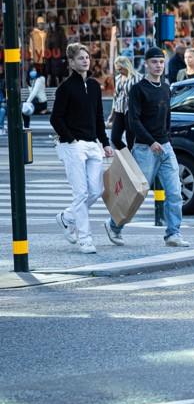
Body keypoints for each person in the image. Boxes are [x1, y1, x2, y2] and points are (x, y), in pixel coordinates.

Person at [107, 47, 191, 248]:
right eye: (154, 62)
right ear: (146, 64)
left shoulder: (165, 87)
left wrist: (166, 139)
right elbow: (134, 120)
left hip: (165, 147)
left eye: (161, 62)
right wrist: (150, 141)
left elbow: (167, 117)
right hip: (145, 148)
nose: (158, 66)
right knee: (136, 194)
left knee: (174, 192)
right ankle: (114, 226)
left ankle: (173, 234)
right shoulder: (138, 89)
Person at [52, 43, 114, 255]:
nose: (85, 60)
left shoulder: (95, 86)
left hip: (92, 144)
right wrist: (71, 140)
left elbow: (98, 117)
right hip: (73, 146)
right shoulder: (65, 88)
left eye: (86, 57)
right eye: (80, 58)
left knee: (96, 190)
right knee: (81, 194)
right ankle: (85, 239)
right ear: (71, 62)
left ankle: (66, 218)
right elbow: (55, 118)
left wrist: (105, 143)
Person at [109, 56, 137, 150]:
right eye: (117, 69)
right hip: (119, 110)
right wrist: (112, 114)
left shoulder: (136, 78)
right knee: (114, 138)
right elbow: (115, 96)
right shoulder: (118, 78)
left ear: (126, 66)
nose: (119, 71)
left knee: (131, 140)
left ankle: (131, 160)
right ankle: (127, 155)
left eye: (120, 69)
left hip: (131, 111)